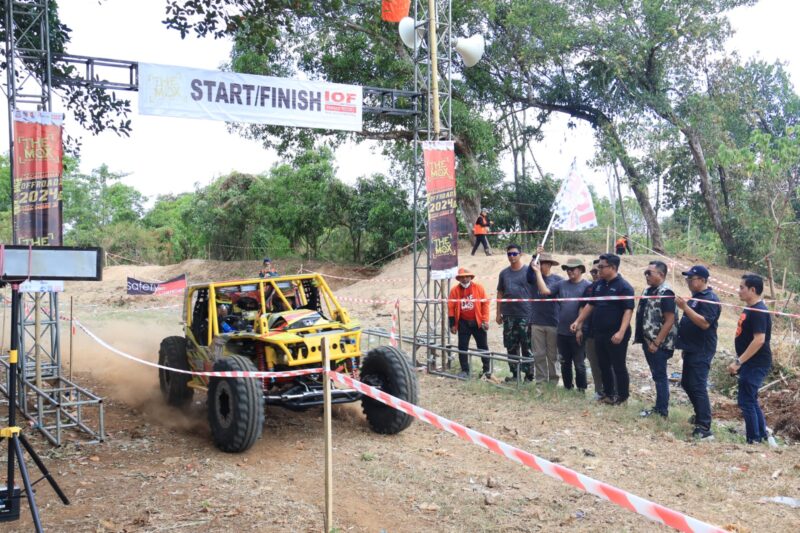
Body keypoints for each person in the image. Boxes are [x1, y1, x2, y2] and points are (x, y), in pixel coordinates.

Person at [570, 253, 634, 405]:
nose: (598, 270)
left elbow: (628, 311)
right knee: (603, 365)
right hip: (599, 333)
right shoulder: (599, 285)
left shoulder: (624, 287)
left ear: (612, 267)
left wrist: (621, 332)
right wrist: (578, 321)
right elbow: (590, 305)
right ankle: (609, 394)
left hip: (616, 334)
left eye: (601, 267)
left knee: (618, 366)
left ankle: (622, 397)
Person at [675, 265, 721, 440]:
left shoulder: (710, 298)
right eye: (687, 278)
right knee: (687, 383)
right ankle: (699, 414)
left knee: (698, 385)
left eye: (691, 278)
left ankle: (704, 426)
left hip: (702, 349)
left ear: (702, 280)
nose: (688, 281)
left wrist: (685, 308)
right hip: (691, 348)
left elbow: (704, 323)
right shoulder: (697, 298)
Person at [532, 257, 590, 390]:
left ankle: (581, 389)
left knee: (579, 364)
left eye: (572, 269)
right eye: (567, 269)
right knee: (565, 362)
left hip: (579, 331)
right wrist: (537, 272)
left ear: (580, 269)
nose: (569, 272)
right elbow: (545, 291)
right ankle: (568, 388)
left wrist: (580, 328)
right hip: (562, 330)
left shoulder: (587, 286)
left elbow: (588, 309)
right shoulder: (562, 284)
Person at [728, 274, 772, 444]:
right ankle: (760, 436)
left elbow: (759, 339)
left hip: (756, 362)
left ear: (752, 290)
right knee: (750, 398)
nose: (738, 291)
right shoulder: (751, 308)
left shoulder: (759, 311)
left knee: (746, 400)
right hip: (750, 362)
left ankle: (753, 439)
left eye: (741, 287)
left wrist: (739, 362)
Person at [634, 261, 678, 418]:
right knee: (656, 375)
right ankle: (659, 408)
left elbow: (669, 320)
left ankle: (661, 411)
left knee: (660, 377)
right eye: (646, 272)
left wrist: (657, 342)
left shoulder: (666, 293)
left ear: (661, 274)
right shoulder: (648, 291)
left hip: (658, 344)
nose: (646, 275)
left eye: (649, 273)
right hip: (647, 341)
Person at [496, 244, 533, 382]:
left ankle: (529, 376)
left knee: (527, 346)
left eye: (514, 254)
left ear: (520, 254)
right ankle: (515, 375)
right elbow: (500, 292)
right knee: (511, 346)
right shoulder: (504, 273)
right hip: (508, 315)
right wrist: (498, 313)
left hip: (525, 315)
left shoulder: (528, 271)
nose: (511, 256)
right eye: (509, 254)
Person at [526, 249, 563, 383]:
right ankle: (541, 380)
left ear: (550, 265)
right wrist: (534, 255)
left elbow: (548, 292)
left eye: (544, 263)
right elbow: (529, 273)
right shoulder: (533, 278)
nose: (541, 266)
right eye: (539, 263)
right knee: (538, 354)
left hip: (553, 321)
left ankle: (554, 380)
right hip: (536, 322)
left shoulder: (558, 280)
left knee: (553, 355)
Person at [448, 267, 491, 379]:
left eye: (467, 276)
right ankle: (465, 370)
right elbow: (451, 308)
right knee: (462, 347)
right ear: (459, 279)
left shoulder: (479, 288)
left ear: (471, 277)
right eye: (462, 277)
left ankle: (487, 370)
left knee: (483, 346)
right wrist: (452, 324)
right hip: (463, 323)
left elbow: (485, 304)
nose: (465, 279)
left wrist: (485, 320)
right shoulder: (454, 291)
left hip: (478, 322)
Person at [578, 260, 607, 400]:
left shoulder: (614, 286)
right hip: (590, 332)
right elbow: (582, 307)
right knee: (594, 363)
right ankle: (599, 391)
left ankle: (613, 392)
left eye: (598, 270)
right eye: (593, 272)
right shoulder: (589, 288)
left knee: (609, 364)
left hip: (608, 334)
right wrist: (579, 328)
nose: (596, 274)